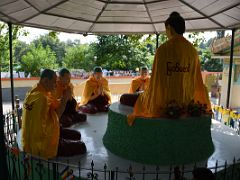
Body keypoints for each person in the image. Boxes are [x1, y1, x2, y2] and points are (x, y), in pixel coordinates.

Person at [121, 12, 211, 126]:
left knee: (124, 98)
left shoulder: (163, 49)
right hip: (186, 103)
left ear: (170, 28)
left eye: (166, 30)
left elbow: (155, 82)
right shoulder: (192, 51)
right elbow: (197, 81)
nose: (166, 33)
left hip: (162, 103)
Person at [22, 69, 86, 159]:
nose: (56, 84)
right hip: (44, 143)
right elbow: (56, 116)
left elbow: (54, 105)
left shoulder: (34, 91)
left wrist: (66, 98)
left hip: (31, 140)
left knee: (77, 135)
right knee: (82, 146)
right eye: (54, 82)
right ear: (45, 81)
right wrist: (65, 99)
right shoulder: (42, 98)